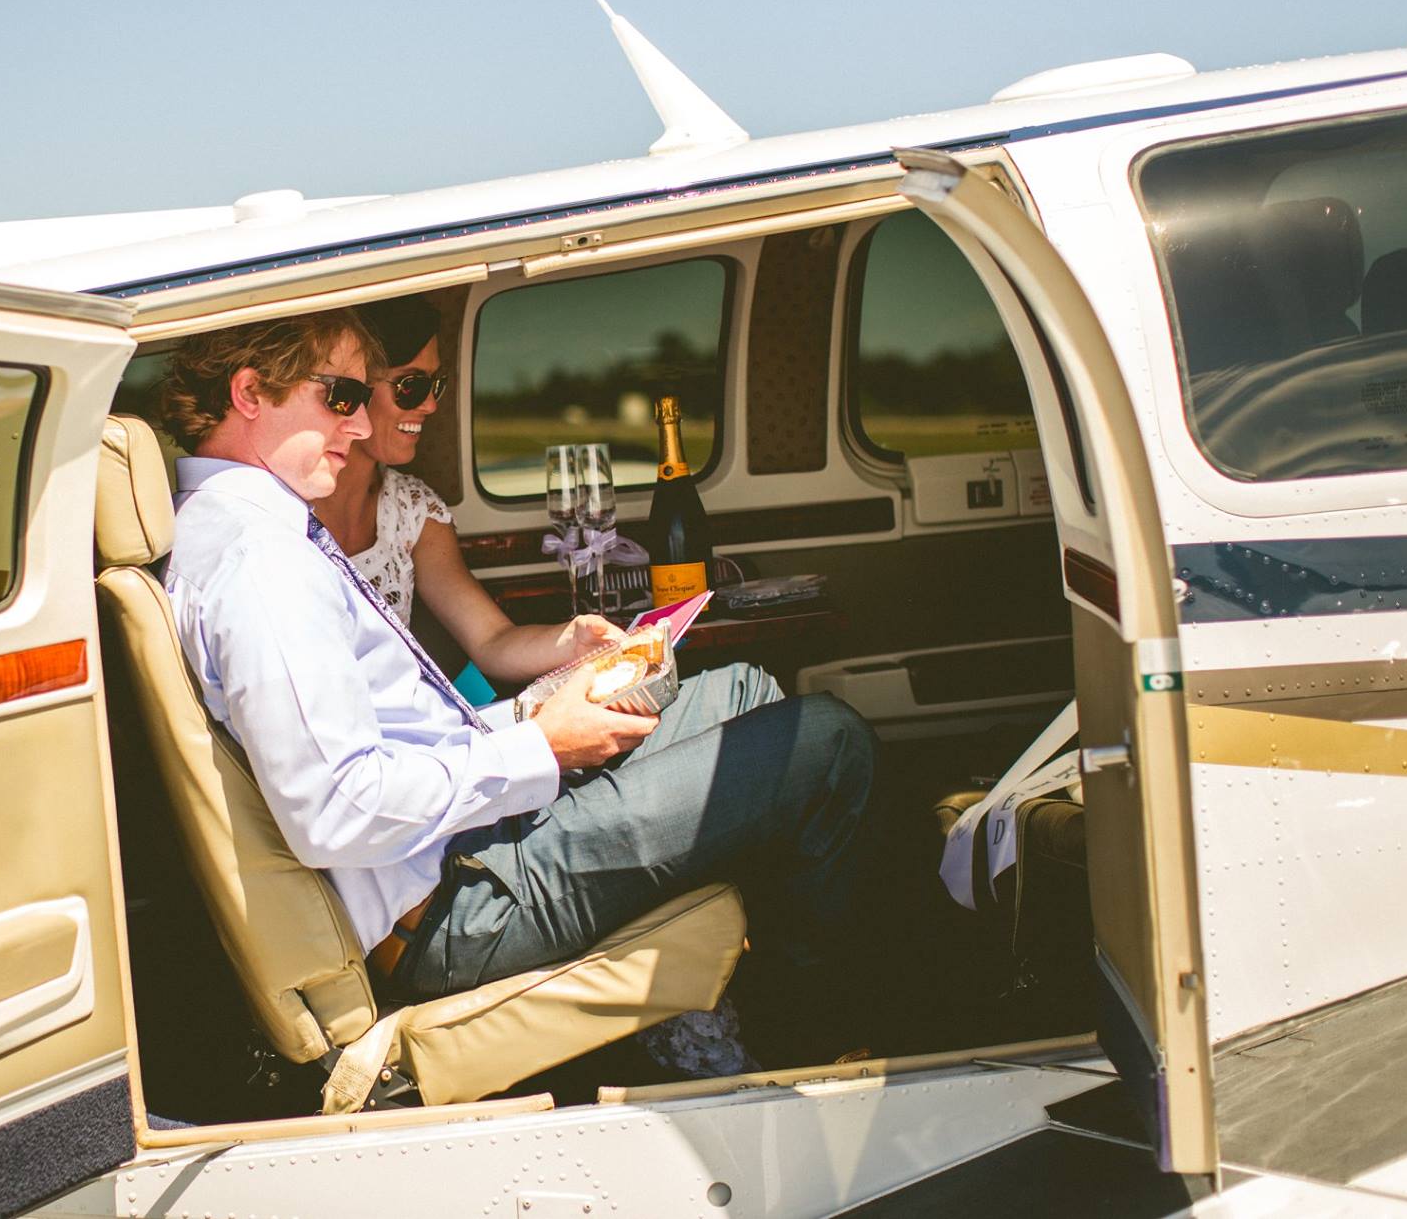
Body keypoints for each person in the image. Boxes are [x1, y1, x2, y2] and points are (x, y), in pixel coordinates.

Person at [160, 309, 879, 1065]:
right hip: (456, 906)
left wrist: (537, 709)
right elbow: (336, 808)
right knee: (828, 745)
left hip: (461, 849)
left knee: (742, 692)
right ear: (249, 392)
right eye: (341, 396)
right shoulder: (261, 562)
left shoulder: (249, 531)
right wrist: (543, 745)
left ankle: (753, 996)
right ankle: (814, 1046)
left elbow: (388, 743)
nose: (364, 418)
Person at [309, 299, 784, 1073]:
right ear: (356, 392)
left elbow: (490, 640)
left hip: (470, 735)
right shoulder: (286, 540)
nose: (431, 406)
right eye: (412, 387)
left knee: (748, 690)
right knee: (806, 736)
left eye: (438, 385)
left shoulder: (409, 509)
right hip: (436, 793)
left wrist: (576, 640)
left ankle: (725, 964)